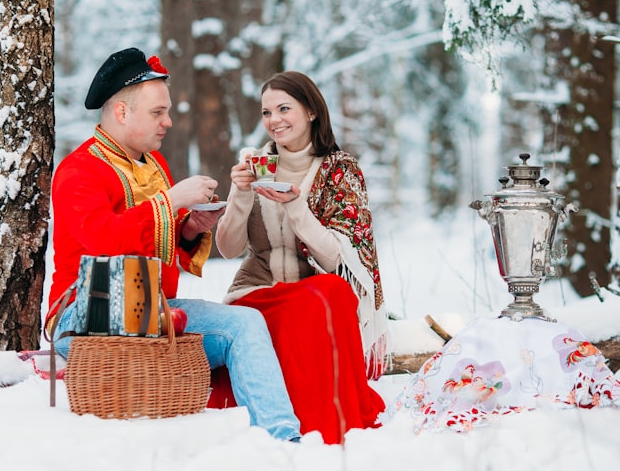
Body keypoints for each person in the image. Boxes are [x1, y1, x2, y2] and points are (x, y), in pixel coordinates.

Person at [45, 47, 301, 442]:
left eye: (166, 111)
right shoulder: (79, 170)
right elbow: (102, 241)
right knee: (167, 319)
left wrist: (189, 227)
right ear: (122, 113)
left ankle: (284, 442)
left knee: (246, 322)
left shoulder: (155, 164)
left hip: (154, 311)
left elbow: (155, 237)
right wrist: (170, 202)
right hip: (84, 312)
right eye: (157, 112)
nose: (167, 122)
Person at [215, 71, 389, 444]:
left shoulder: (339, 170)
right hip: (257, 291)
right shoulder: (255, 163)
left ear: (310, 110)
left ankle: (321, 420)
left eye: (283, 109)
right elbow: (228, 250)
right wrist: (240, 194)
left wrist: (297, 207)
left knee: (329, 293)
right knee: (303, 304)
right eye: (266, 113)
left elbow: (337, 262)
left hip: (312, 295)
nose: (274, 120)